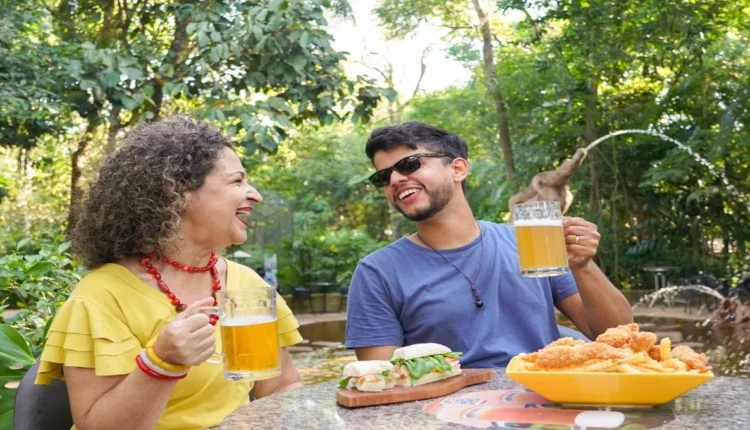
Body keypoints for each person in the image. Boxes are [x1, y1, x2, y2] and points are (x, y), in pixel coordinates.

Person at [35, 117, 304, 429]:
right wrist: (160, 362)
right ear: (179, 191)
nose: (255, 195)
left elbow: (282, 387)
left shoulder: (246, 284)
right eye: (237, 181)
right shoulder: (101, 295)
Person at [345, 121, 633, 368]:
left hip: (545, 400)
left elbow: (619, 338)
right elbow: (382, 381)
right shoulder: (377, 273)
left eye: (409, 164)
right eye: (384, 176)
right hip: (447, 409)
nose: (395, 179)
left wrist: (583, 266)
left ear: (458, 169)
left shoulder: (530, 243)